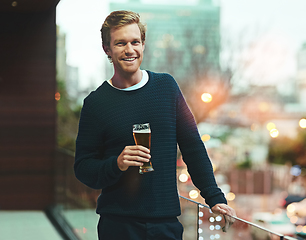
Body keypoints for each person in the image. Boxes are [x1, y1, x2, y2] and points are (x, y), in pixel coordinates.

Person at [74, 10, 236, 240]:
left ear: (143, 45)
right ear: (107, 49)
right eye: (120, 43)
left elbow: (193, 147)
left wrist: (215, 198)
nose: (129, 50)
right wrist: (116, 164)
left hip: (166, 224)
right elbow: (83, 168)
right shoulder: (95, 103)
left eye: (135, 42)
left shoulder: (166, 87)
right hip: (117, 226)